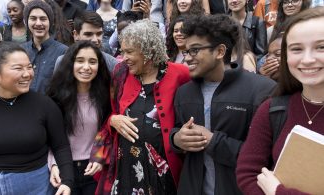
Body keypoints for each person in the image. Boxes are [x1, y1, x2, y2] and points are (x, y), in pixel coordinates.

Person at [0, 37, 74, 195]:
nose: (27, 74)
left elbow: (61, 146)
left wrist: (67, 181)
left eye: (29, 67)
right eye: (18, 68)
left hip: (37, 187)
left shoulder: (45, 105)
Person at [169, 14, 275, 195]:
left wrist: (213, 141)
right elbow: (177, 129)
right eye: (186, 51)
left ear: (219, 51)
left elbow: (267, 159)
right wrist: (176, 140)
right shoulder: (183, 92)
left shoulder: (262, 90)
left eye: (194, 50)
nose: (187, 58)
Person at [89, 19, 191, 194]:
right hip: (126, 170)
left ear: (149, 52)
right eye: (122, 51)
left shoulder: (180, 74)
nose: (124, 57)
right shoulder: (120, 73)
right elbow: (108, 113)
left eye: (129, 52)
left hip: (163, 172)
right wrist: (113, 120)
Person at [237, 6, 324, 195]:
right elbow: (248, 173)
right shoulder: (272, 109)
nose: (307, 59)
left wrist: (277, 192)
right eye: (296, 49)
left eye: (321, 47)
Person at [47, 40, 111, 195]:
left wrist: (101, 159)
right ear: (70, 64)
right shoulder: (55, 97)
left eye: (92, 62)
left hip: (94, 169)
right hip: (64, 169)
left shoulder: (106, 96)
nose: (86, 67)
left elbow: (108, 133)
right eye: (80, 61)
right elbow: (50, 137)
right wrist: (54, 165)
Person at [21, 0, 68, 93]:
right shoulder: (21, 50)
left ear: (50, 22)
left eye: (43, 19)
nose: (38, 23)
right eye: (33, 18)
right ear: (26, 22)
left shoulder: (63, 52)